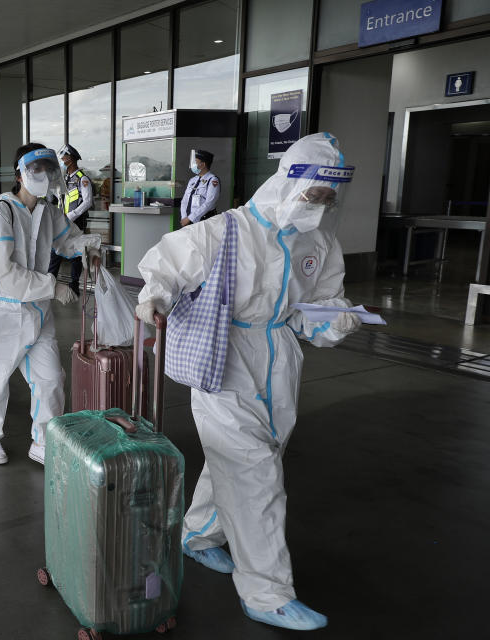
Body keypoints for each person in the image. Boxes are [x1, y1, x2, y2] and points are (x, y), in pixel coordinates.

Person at [135, 133, 359, 631]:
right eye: (312, 196)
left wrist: (334, 320)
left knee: (253, 454)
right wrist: (154, 297)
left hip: (278, 361)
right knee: (256, 473)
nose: (319, 208)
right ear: (286, 183)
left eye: (327, 200)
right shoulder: (227, 231)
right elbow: (167, 264)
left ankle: (197, 533)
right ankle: (266, 591)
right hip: (224, 357)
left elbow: (315, 306)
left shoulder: (319, 241)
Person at [0, 143, 102, 466]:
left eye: (47, 169)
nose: (43, 176)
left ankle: (43, 441)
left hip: (37, 311)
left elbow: (69, 238)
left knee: (51, 378)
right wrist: (53, 286)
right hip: (1, 311)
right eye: (36, 170)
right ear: (19, 174)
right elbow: (4, 272)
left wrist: (89, 249)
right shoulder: (1, 212)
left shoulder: (48, 211)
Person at [48, 144, 94, 298]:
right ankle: (50, 282)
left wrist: (72, 215)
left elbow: (87, 202)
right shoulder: (65, 178)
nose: (62, 160)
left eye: (64, 157)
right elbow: (59, 197)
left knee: (75, 252)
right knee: (55, 250)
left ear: (71, 158)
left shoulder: (83, 178)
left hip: (76, 221)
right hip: (63, 221)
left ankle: (74, 284)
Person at [180, 149, 220, 226]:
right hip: (187, 221)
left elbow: (209, 203)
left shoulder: (212, 180)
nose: (193, 165)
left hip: (203, 221)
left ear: (203, 164)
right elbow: (184, 200)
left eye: (195, 162)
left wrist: (190, 218)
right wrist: (184, 217)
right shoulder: (192, 180)